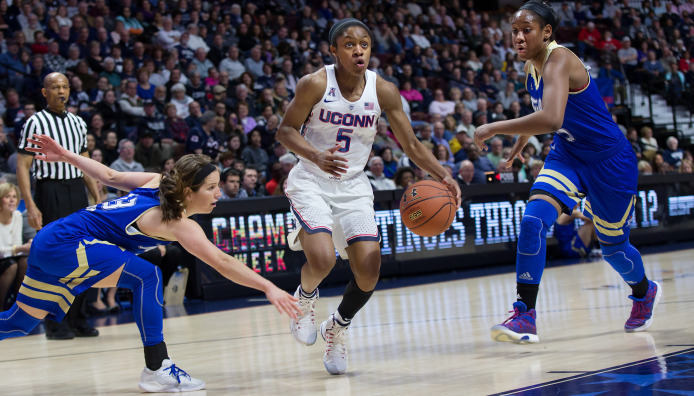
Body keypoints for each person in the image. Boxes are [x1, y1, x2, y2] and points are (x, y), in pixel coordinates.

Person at [2, 134, 300, 392]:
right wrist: (268, 287)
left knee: (20, 322)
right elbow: (221, 262)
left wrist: (66, 155)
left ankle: (157, 369)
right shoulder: (178, 223)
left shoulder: (156, 182)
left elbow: (110, 177)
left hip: (52, 242)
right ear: (187, 192)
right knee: (147, 276)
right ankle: (156, 368)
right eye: (211, 187)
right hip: (67, 245)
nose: (218, 194)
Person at [277, 19, 460, 375]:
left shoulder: (384, 91)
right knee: (323, 260)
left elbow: (410, 144)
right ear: (334, 51)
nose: (358, 50)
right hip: (311, 180)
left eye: (364, 44)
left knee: (369, 270)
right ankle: (305, 300)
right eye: (348, 44)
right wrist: (315, 155)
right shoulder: (315, 83)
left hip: (353, 185)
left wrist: (443, 174)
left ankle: (337, 327)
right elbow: (285, 131)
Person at [473, 1, 660, 344]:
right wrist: (516, 151)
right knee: (533, 220)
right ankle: (524, 315)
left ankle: (644, 292)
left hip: (610, 162)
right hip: (568, 155)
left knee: (614, 249)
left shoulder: (559, 60)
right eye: (514, 31)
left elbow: (552, 119)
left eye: (526, 30)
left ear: (547, 32)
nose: (518, 37)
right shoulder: (532, 66)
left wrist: (493, 127)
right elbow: (541, 114)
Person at [16, 72, 101, 340]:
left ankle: (80, 318)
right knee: (58, 257)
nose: (60, 91)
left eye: (64, 86)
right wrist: (30, 204)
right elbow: (22, 166)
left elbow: (85, 162)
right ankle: (56, 323)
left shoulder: (78, 122)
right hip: (49, 190)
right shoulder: (35, 122)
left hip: (76, 190)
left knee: (84, 255)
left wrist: (97, 195)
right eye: (54, 87)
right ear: (44, 92)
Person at [0, 183, 32, 309]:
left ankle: (19, 307)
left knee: (26, 261)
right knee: (12, 266)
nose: (12, 200)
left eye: (14, 196)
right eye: (8, 196)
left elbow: (17, 244)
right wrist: (19, 249)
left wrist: (27, 247)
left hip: (9, 257)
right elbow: (15, 248)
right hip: (6, 259)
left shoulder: (17, 216)